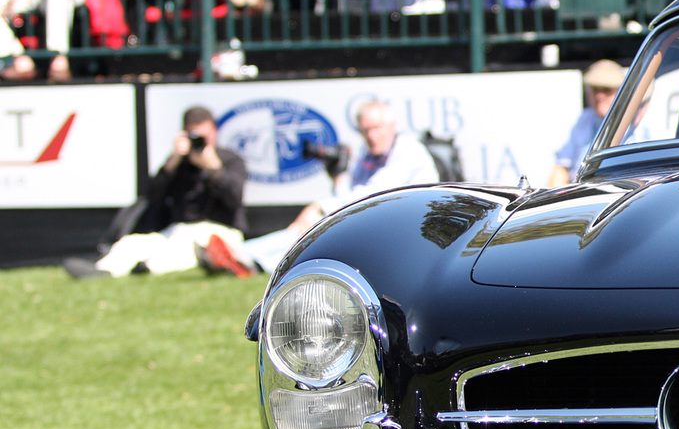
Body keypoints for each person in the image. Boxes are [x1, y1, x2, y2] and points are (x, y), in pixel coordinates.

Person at [205, 100, 441, 275]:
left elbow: (370, 195)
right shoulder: (367, 154)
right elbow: (349, 197)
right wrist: (338, 176)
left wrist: (318, 207)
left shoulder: (408, 151)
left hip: (410, 229)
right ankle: (245, 256)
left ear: (392, 125)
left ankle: (244, 256)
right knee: (311, 231)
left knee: (314, 229)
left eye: (377, 128)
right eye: (365, 130)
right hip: (380, 221)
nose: (372, 136)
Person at [65, 106, 248, 278]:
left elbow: (235, 199)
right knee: (133, 242)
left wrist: (214, 169)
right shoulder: (179, 163)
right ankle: (103, 271)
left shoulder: (230, 160)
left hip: (220, 231)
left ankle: (148, 266)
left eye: (203, 138)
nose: (199, 143)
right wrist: (174, 161)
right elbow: (152, 195)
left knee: (183, 248)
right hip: (179, 229)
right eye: (194, 138)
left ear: (214, 133)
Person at [549, 59, 625, 186]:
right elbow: (561, 167)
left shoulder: (633, 124)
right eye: (595, 90)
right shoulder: (584, 119)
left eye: (606, 89)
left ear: (621, 92)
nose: (599, 96)